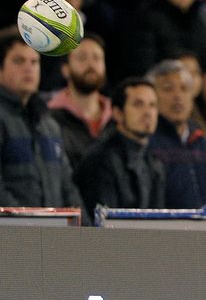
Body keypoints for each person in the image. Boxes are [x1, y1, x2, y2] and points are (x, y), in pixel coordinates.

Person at [0, 35, 83, 209]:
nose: (28, 68)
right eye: (18, 61)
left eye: (34, 62)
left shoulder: (49, 124)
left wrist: (85, 225)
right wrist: (26, 223)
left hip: (48, 226)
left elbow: (67, 187)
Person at [147, 59, 206, 209]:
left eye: (184, 89)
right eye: (168, 89)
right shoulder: (146, 145)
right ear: (152, 96)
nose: (177, 96)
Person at [75, 78, 165, 220]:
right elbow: (102, 223)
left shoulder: (154, 162)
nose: (148, 112)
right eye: (138, 104)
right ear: (118, 113)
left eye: (152, 105)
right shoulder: (99, 160)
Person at [47, 33, 112, 169]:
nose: (91, 64)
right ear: (65, 70)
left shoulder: (118, 115)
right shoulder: (49, 117)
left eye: (97, 58)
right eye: (82, 58)